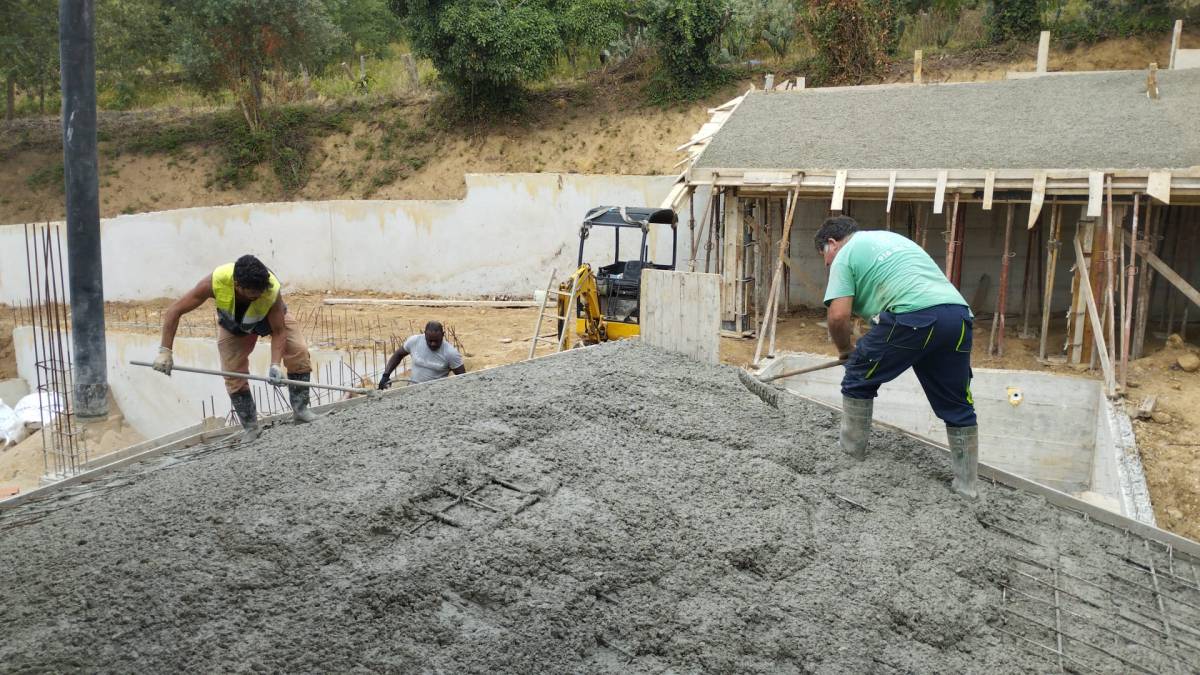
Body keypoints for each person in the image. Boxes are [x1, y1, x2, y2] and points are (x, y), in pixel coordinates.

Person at [817, 215, 979, 498]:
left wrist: (846, 352)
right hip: (957, 317)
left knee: (857, 377)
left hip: (914, 316)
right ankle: (967, 488)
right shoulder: (892, 240)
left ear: (832, 244)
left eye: (826, 260)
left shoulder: (845, 253)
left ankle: (850, 458)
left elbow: (838, 316)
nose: (829, 266)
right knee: (957, 404)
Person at [152, 255, 317, 440]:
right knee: (232, 372)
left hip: (269, 318)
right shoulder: (213, 282)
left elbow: (279, 331)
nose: (259, 296)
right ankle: (251, 428)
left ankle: (301, 411)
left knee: (298, 350)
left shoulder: (270, 288)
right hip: (235, 326)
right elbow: (174, 311)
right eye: (253, 293)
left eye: (261, 291)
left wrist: (275, 365)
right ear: (237, 285)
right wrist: (165, 351)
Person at [378, 321, 465, 389]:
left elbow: (464, 379)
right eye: (430, 341)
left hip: (434, 393)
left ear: (443, 335)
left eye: (436, 341)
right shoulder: (414, 341)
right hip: (412, 389)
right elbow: (398, 355)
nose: (433, 344)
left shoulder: (451, 353)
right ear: (425, 334)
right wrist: (386, 375)